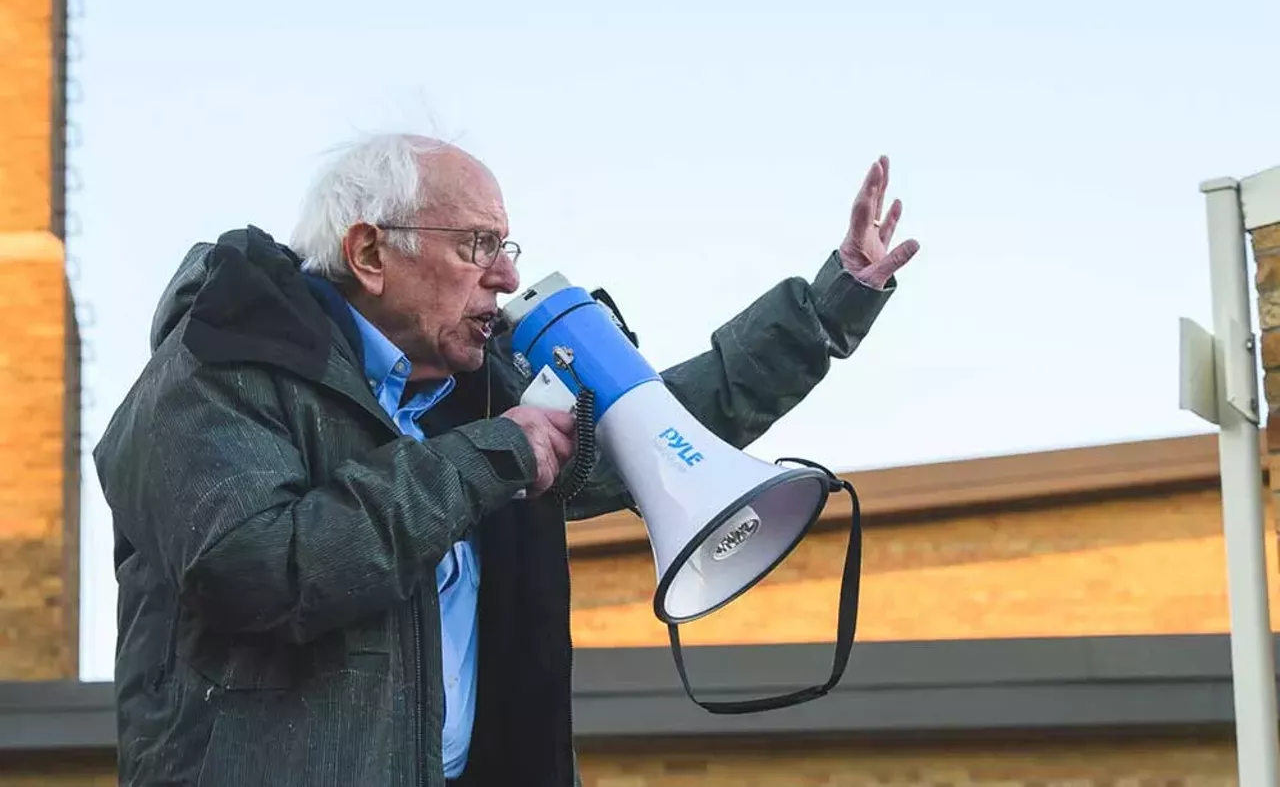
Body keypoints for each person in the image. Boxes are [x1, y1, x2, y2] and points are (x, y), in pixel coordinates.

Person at [93, 132, 919, 787]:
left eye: (507, 243)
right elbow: (258, 567)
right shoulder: (220, 367)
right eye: (477, 244)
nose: (509, 274)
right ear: (370, 253)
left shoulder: (481, 399)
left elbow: (663, 430)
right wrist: (491, 457)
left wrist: (828, 309)